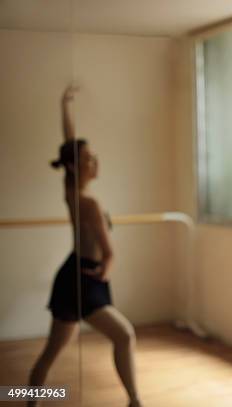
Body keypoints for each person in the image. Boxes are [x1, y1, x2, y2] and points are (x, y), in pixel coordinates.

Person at [28, 85, 142, 407]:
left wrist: (65, 106)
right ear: (77, 167)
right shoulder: (87, 203)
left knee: (54, 350)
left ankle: (29, 400)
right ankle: (135, 401)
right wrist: (109, 267)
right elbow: (108, 253)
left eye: (94, 156)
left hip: (79, 275)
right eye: (90, 159)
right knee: (124, 335)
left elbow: (68, 147)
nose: (96, 162)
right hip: (83, 279)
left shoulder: (71, 192)